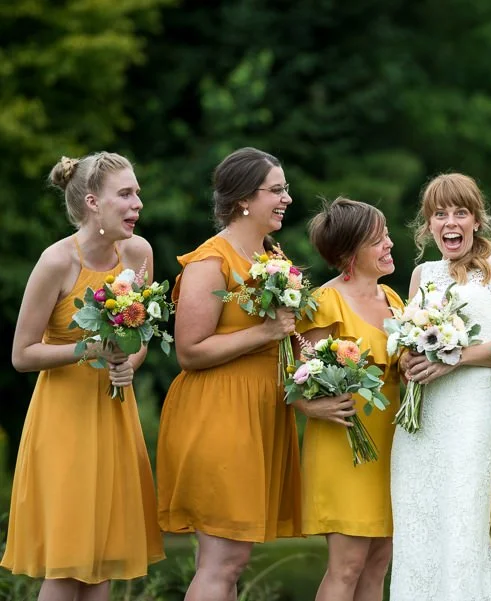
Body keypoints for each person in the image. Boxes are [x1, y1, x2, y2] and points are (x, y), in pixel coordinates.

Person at [2, 152, 163, 600]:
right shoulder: (56, 262)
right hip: (64, 420)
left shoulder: (139, 253)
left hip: (114, 414)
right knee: (68, 563)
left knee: (103, 561)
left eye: (138, 194)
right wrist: (85, 349)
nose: (138, 205)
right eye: (126, 195)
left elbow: (141, 336)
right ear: (93, 202)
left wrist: (127, 365)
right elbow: (21, 354)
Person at [155, 147, 303, 600]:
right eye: (276, 190)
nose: (287, 199)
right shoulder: (210, 261)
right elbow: (190, 350)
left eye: (285, 189)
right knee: (225, 560)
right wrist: (265, 332)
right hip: (219, 412)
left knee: (230, 562)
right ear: (243, 199)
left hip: (259, 412)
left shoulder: (270, 253)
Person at [390, 173, 491, 601]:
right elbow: (405, 343)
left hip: (475, 408)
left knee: (464, 515)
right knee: (418, 517)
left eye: (460, 212)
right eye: (439, 213)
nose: (451, 222)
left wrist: (454, 359)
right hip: (422, 415)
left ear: (477, 221)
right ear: (428, 225)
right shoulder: (422, 274)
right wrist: (406, 358)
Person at [295, 197, 402, 601]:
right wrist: (310, 404)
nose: (390, 244)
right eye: (378, 239)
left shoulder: (394, 299)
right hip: (346, 445)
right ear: (347, 252)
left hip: (392, 445)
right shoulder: (326, 302)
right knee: (348, 566)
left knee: (378, 565)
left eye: (387, 234)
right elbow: (299, 376)